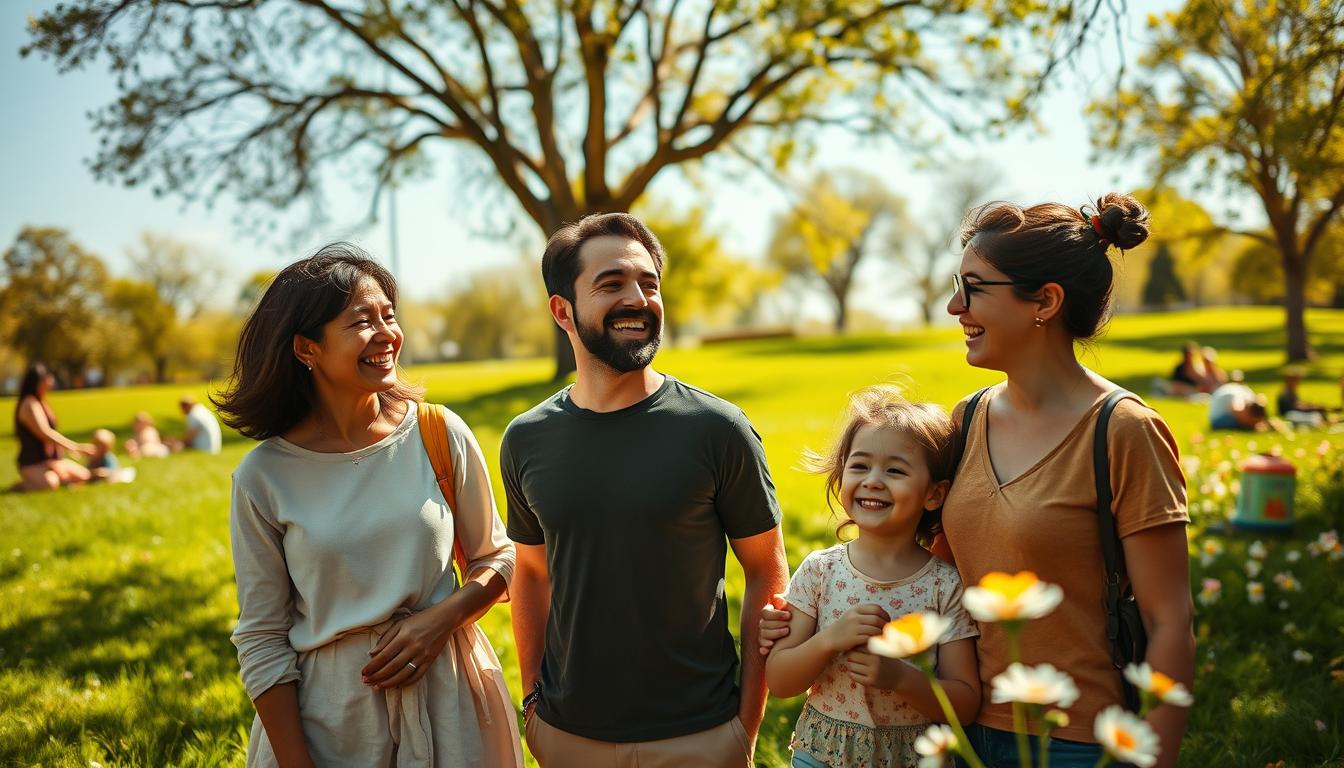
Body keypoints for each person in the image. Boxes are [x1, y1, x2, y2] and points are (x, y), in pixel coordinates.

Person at [763, 194, 1194, 767]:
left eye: (973, 288)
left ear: (1044, 301)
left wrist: (1154, 759)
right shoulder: (966, 420)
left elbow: (1170, 620)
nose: (952, 306)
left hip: (1069, 740)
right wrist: (805, 620)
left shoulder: (1122, 430)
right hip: (946, 734)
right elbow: (925, 566)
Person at [215, 244, 522, 767]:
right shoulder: (263, 476)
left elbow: (500, 559)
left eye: (389, 315)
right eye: (361, 321)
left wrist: (439, 622)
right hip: (332, 722)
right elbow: (262, 638)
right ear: (307, 349)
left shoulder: (437, 432)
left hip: (449, 706)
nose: (386, 334)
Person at [503, 213, 789, 767]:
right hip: (567, 738)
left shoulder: (718, 429)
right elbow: (533, 573)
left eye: (649, 283)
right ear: (562, 310)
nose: (638, 298)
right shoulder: (526, 439)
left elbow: (765, 570)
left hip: (701, 737)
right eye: (611, 284)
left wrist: (744, 726)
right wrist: (534, 702)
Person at [764, 385, 979, 767]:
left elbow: (964, 702)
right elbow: (780, 681)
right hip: (822, 755)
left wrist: (900, 678)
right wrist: (830, 639)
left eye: (895, 470)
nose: (873, 480)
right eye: (859, 466)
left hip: (914, 758)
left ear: (934, 494)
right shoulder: (821, 571)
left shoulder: (944, 586)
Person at [13, 363, 94, 491]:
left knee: (84, 476)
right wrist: (74, 447)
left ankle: (54, 476)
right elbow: (44, 433)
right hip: (33, 462)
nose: (51, 382)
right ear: (37, 382)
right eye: (47, 379)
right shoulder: (29, 403)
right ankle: (19, 487)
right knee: (50, 484)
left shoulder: (42, 401)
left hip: (51, 460)